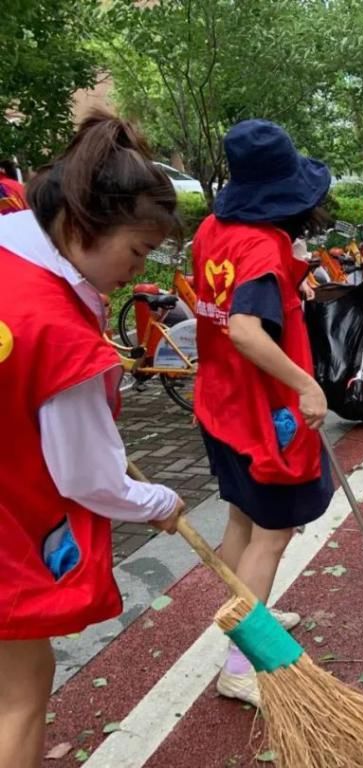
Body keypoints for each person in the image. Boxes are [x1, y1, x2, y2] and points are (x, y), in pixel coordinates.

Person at [0, 112, 185, 767]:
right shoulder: (58, 330)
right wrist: (159, 501)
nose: (134, 275)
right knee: (21, 691)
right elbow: (88, 479)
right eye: (134, 253)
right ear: (80, 227)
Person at [192, 119, 334, 705]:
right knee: (273, 534)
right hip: (263, 415)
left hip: (218, 404)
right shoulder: (263, 245)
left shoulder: (210, 229)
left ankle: (246, 618)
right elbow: (247, 329)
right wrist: (307, 384)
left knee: (242, 521)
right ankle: (240, 662)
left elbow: (222, 309)